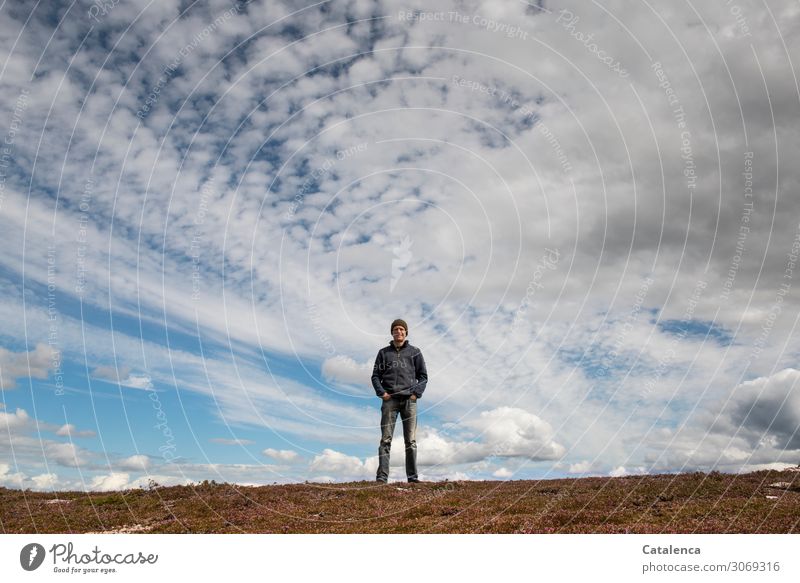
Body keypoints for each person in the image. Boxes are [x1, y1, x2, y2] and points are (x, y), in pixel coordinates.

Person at [371, 318, 428, 483]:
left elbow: (423, 376)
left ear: (406, 332)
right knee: (385, 440)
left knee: (410, 441)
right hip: (390, 401)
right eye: (396, 329)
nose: (399, 332)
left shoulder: (415, 352)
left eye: (402, 329)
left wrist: (415, 394)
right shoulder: (383, 353)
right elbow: (375, 376)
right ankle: (382, 477)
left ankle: (412, 477)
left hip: (410, 401)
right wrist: (382, 393)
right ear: (392, 332)